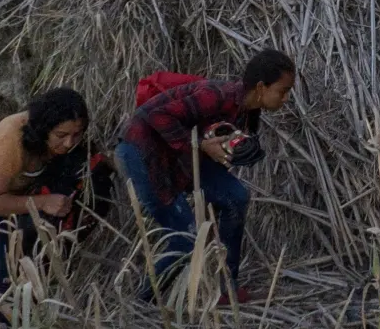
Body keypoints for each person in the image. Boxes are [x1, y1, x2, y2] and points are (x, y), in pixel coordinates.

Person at [115, 50, 297, 305]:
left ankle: (225, 289)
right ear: (260, 87)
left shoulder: (247, 114)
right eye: (283, 90)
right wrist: (201, 144)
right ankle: (141, 304)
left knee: (235, 197)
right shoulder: (218, 95)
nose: (286, 97)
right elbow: (156, 115)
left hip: (181, 156)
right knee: (186, 239)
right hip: (143, 152)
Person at [0, 87, 96, 295]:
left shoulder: (63, 142)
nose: (69, 143)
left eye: (77, 135)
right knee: (9, 264)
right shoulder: (12, 142)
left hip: (32, 184)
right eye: (61, 135)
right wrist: (44, 201)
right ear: (43, 128)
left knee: (37, 248)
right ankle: (12, 321)